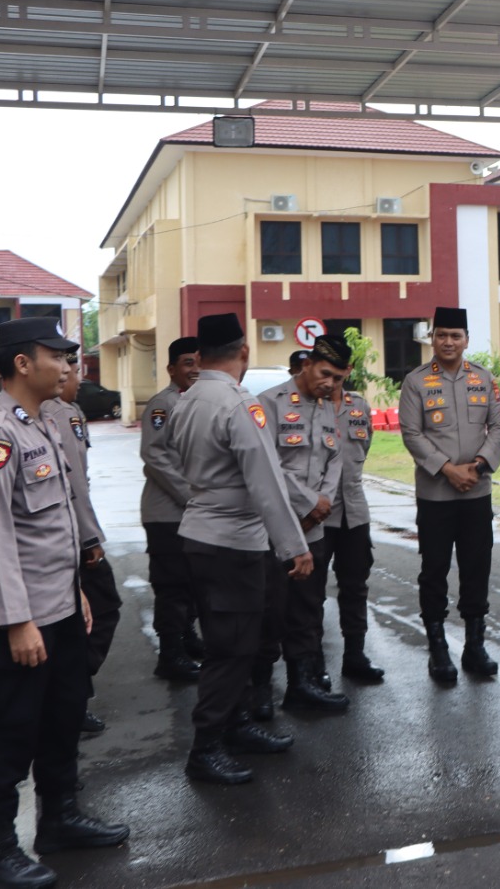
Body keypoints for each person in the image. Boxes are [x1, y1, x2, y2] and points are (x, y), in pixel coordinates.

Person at [0, 317, 129, 888]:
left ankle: (59, 819)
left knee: (62, 720)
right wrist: (18, 621)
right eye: (56, 355)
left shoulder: (43, 424)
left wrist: (75, 590)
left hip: (59, 609)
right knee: (9, 736)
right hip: (21, 621)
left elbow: (53, 527)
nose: (66, 366)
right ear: (22, 363)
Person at [168, 313, 312, 786]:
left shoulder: (187, 399)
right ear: (243, 351)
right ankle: (207, 747)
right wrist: (294, 547)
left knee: (229, 641)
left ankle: (236, 724)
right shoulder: (237, 403)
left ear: (200, 355)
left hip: (201, 534)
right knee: (230, 649)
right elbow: (266, 482)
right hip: (232, 543)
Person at [399, 306, 500, 682]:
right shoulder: (415, 381)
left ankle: (475, 645)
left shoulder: (483, 377)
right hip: (436, 495)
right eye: (441, 335)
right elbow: (412, 433)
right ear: (432, 338)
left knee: (477, 567)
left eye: (455, 336)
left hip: (477, 491)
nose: (448, 342)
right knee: (434, 570)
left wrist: (477, 466)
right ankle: (438, 648)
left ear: (466, 340)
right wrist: (448, 469)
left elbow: (498, 424)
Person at [256, 333, 350, 712]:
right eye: (325, 374)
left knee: (308, 608)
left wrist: (323, 503)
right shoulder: (270, 403)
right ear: (307, 364)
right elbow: (266, 464)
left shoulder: (328, 408)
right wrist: (311, 502)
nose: (329, 384)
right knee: (269, 609)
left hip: (314, 527)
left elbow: (335, 459)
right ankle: (259, 691)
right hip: (276, 529)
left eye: (338, 379)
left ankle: (302, 684)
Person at [42, 354, 122, 737]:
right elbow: (73, 485)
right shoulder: (57, 413)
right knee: (99, 610)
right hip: (69, 536)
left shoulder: (66, 410)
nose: (72, 377)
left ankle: (69, 693)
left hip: (67, 531)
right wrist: (90, 538)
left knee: (83, 617)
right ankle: (67, 695)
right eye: (72, 370)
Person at [140, 336, 205, 682]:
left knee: (192, 581)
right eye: (187, 363)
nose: (195, 369)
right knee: (172, 585)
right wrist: (190, 495)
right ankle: (170, 654)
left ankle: (187, 636)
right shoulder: (163, 405)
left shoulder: (198, 401)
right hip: (167, 512)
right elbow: (154, 456)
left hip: (193, 512)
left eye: (199, 362)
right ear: (171, 369)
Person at [325, 368, 383, 684]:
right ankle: (309, 664)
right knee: (308, 591)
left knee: (355, 585)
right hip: (316, 513)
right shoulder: (305, 405)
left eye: (339, 371)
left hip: (354, 510)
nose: (332, 378)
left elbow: (364, 447)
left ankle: (355, 655)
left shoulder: (359, 405)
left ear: (347, 370)